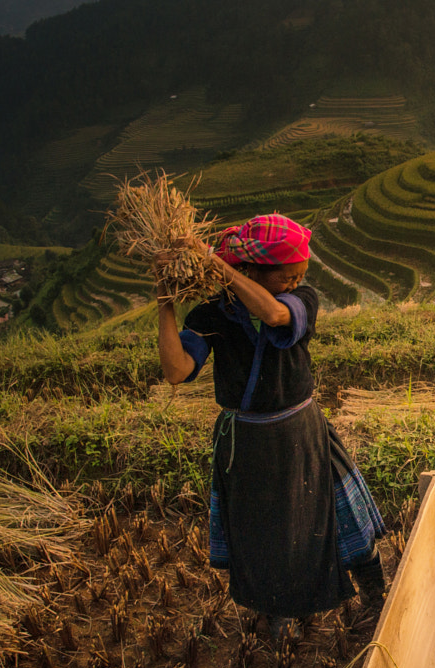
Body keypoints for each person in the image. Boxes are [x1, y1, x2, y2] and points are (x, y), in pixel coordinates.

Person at [154, 213, 389, 634]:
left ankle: (373, 587)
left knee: (343, 513)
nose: (296, 283)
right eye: (289, 276)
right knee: (264, 531)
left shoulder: (302, 300)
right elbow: (176, 370)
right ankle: (276, 607)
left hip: (301, 431)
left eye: (299, 276)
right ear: (257, 272)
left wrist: (216, 264)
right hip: (247, 443)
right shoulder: (213, 316)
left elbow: (275, 315)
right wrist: (164, 303)